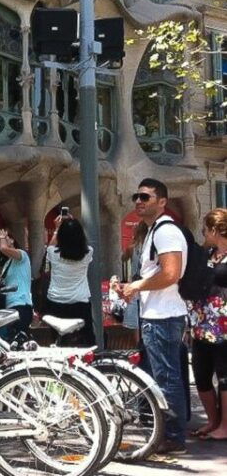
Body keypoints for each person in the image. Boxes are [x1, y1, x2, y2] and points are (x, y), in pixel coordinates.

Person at [114, 178, 188, 454]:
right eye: (137, 196)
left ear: (162, 202)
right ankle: (163, 432)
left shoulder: (166, 232)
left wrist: (137, 286)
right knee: (159, 377)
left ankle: (173, 436)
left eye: (145, 197)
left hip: (164, 316)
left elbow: (170, 273)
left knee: (167, 378)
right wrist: (134, 288)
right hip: (155, 315)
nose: (138, 201)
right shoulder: (152, 231)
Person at [189, 208, 227, 440]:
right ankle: (213, 421)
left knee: (225, 374)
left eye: (206, 227)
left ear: (215, 229)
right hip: (202, 320)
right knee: (201, 373)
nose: (203, 231)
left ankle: (225, 426)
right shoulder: (207, 253)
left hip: (224, 321)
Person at [45, 216, 94, 345]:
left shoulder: (53, 253)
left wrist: (57, 229)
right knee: (84, 342)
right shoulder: (88, 253)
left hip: (56, 302)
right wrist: (73, 224)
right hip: (80, 303)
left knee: (59, 342)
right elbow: (82, 244)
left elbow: (51, 246)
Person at [0, 228, 33, 340]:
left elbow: (3, 248)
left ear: (12, 240)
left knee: (19, 342)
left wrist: (1, 238)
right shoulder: (7, 264)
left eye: (4, 237)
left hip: (21, 305)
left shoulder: (22, 255)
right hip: (10, 307)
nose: (0, 242)